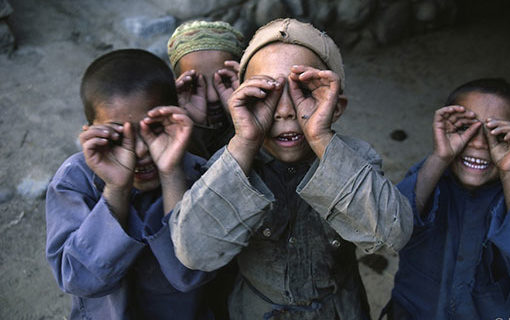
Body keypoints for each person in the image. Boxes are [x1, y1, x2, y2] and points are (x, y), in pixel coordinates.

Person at [169, 18, 414, 319]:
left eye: (305, 90)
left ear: (335, 106)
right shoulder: (231, 163)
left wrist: (321, 139)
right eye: (266, 93)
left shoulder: (355, 157)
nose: (285, 110)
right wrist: (245, 140)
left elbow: (394, 234)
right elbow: (193, 251)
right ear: (243, 100)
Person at [384, 78, 510, 319]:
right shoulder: (426, 179)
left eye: (499, 135)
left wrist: (509, 171)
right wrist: (440, 156)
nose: (479, 143)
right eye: (465, 128)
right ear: (442, 130)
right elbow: (388, 228)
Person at [46, 49, 215, 320]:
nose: (138, 150)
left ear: (176, 119)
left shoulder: (196, 171)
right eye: (116, 135)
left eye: (155, 128)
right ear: (90, 133)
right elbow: (77, 280)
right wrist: (116, 189)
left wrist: (171, 173)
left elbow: (190, 275)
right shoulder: (74, 180)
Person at [167, 19, 245, 158]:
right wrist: (194, 129)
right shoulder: (167, 144)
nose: (212, 96)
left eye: (224, 80)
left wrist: (243, 118)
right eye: (195, 84)